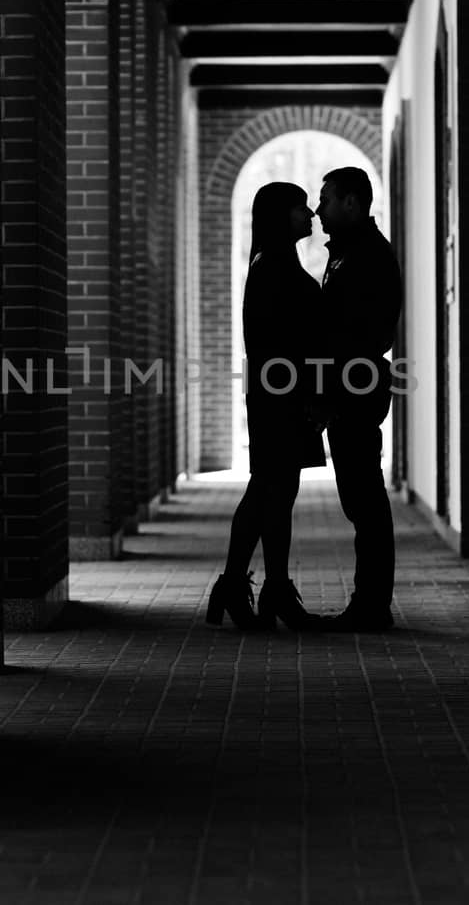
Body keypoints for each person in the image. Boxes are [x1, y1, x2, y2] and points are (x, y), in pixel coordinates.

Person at [206, 182, 326, 632]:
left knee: (270, 493)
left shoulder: (273, 263)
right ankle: (264, 588)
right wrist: (309, 395)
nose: (310, 213)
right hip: (282, 399)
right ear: (280, 215)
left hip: (277, 397)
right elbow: (282, 343)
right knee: (272, 493)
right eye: (300, 208)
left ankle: (246, 587)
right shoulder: (273, 267)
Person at [313, 166, 402, 632]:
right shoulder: (349, 251)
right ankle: (370, 603)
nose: (317, 208)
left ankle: (371, 605)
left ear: (351, 202)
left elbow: (360, 331)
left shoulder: (367, 254)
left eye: (325, 199)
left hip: (356, 387)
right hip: (351, 384)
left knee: (364, 500)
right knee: (360, 500)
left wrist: (336, 389)